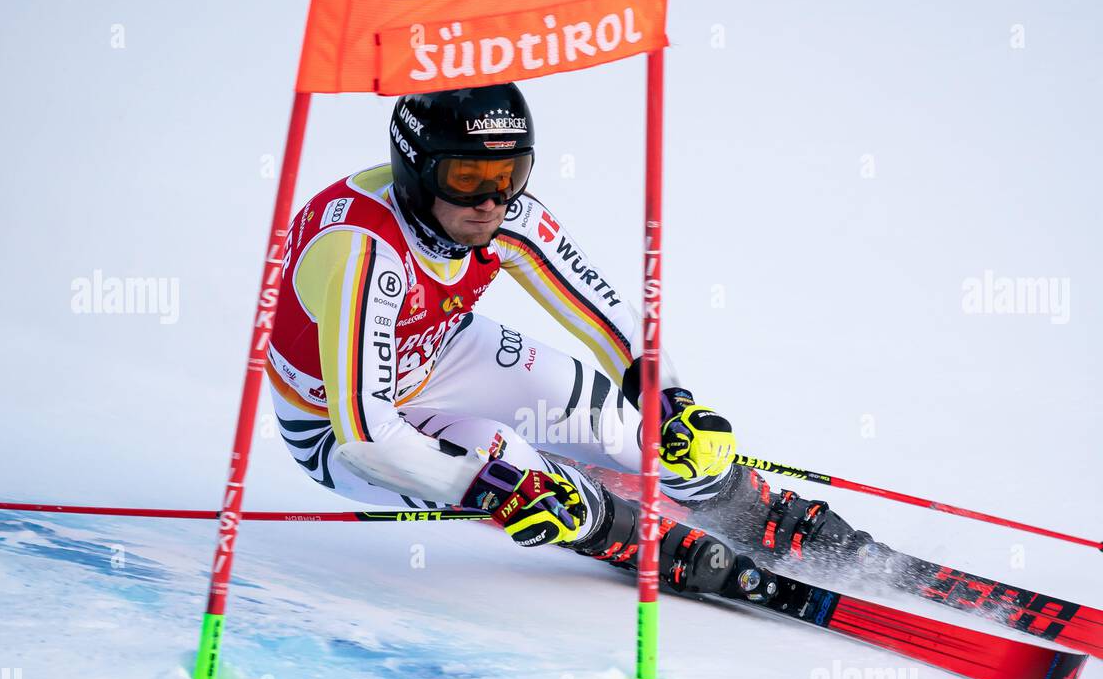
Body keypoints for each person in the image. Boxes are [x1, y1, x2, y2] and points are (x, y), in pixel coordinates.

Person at [267, 82, 876, 594]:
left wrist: (671, 403)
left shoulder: (504, 215)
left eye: (509, 175)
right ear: (416, 170)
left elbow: (610, 320)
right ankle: (616, 530)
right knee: (510, 464)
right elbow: (367, 437)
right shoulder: (365, 251)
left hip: (437, 356)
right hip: (332, 429)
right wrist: (486, 487)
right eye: (466, 177)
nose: (490, 202)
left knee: (617, 421)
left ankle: (742, 505)